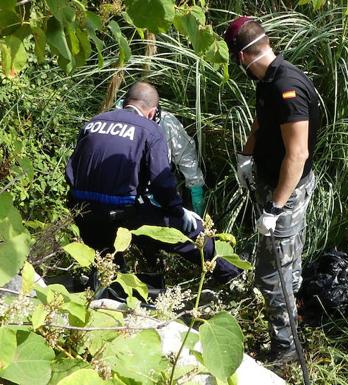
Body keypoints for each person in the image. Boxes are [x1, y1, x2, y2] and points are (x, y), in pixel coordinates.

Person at [66, 81, 240, 284]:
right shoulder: (149, 129)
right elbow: (161, 181)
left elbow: (71, 168)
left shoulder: (94, 122)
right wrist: (178, 211)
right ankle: (234, 277)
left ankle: (112, 284)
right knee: (190, 234)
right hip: (121, 213)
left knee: (108, 266)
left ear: (125, 103)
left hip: (81, 211)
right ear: (152, 112)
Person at [224, 17, 319, 361]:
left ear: (242, 57)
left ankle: (286, 348)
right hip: (271, 183)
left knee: (271, 274)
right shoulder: (267, 81)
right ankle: (291, 322)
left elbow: (298, 153)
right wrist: (245, 156)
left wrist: (275, 208)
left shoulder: (286, 87)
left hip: (287, 192)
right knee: (286, 264)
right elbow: (262, 122)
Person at [115, 99, 207, 216]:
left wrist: (196, 190)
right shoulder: (114, 122)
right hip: (124, 193)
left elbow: (186, 156)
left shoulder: (166, 122)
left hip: (159, 191)